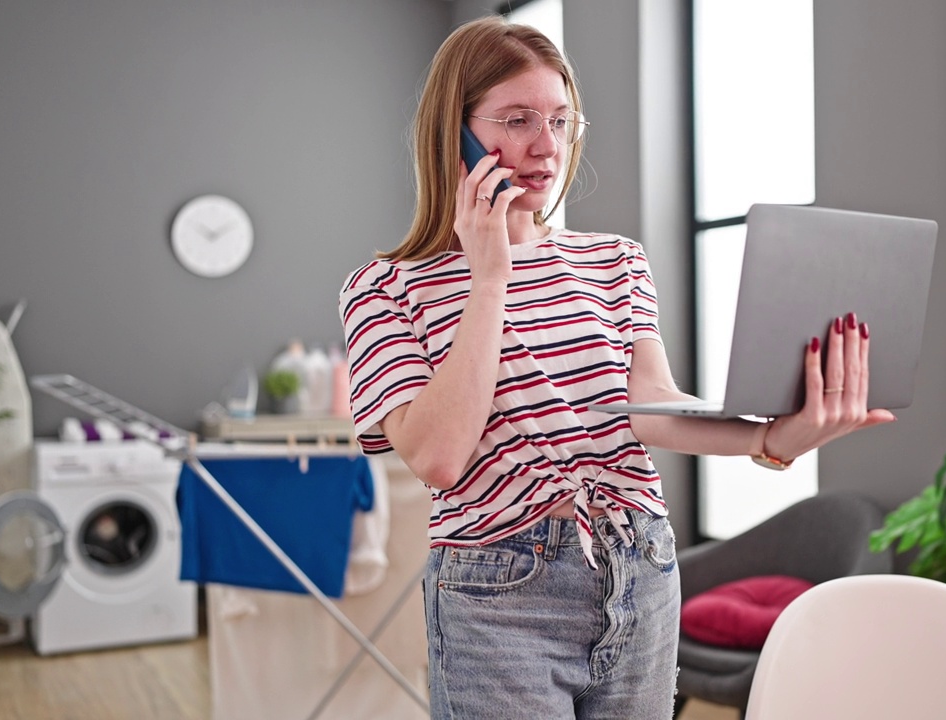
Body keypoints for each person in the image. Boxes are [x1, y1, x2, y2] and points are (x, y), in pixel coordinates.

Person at [338, 15, 896, 719]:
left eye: (562, 121)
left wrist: (770, 439)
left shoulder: (613, 260)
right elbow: (439, 457)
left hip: (641, 569)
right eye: (517, 119)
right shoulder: (385, 286)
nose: (547, 147)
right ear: (456, 131)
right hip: (499, 596)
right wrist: (489, 279)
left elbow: (651, 404)